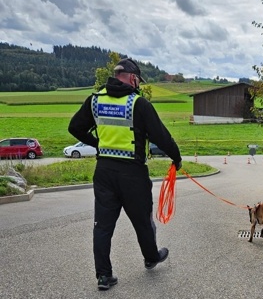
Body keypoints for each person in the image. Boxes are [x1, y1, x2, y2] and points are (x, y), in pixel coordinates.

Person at [68, 58, 182, 291]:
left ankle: (103, 276)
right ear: (132, 78)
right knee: (143, 221)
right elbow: (161, 136)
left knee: (102, 226)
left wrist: (98, 143)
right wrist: (176, 158)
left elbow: (75, 127)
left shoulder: (95, 101)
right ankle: (151, 257)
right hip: (133, 173)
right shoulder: (139, 104)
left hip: (105, 172)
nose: (138, 84)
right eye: (138, 80)